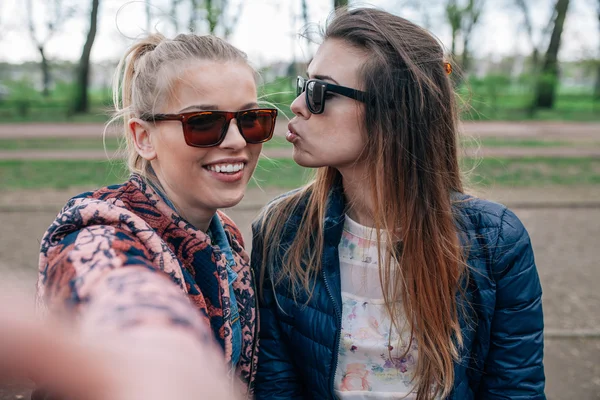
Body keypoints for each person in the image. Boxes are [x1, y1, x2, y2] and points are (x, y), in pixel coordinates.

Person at [252, 8, 545, 400]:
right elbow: (277, 387)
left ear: (392, 112)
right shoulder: (282, 228)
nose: (298, 104)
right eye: (304, 84)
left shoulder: (495, 241)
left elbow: (515, 391)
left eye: (320, 91)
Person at [2, 32, 278, 400]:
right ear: (142, 137)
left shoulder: (227, 235)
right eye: (203, 122)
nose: (237, 141)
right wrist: (155, 346)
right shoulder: (95, 230)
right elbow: (112, 286)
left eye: (251, 119)